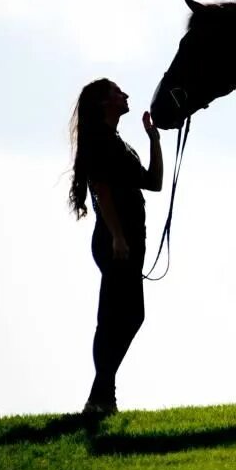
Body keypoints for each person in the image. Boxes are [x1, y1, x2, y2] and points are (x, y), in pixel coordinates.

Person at [68, 78, 163, 416]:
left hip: (128, 239)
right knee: (121, 317)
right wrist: (118, 236)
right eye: (118, 92)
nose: (126, 95)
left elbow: (154, 182)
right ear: (105, 103)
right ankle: (100, 395)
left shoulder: (118, 143)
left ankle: (102, 395)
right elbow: (102, 191)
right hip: (116, 240)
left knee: (120, 318)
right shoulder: (102, 143)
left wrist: (154, 140)